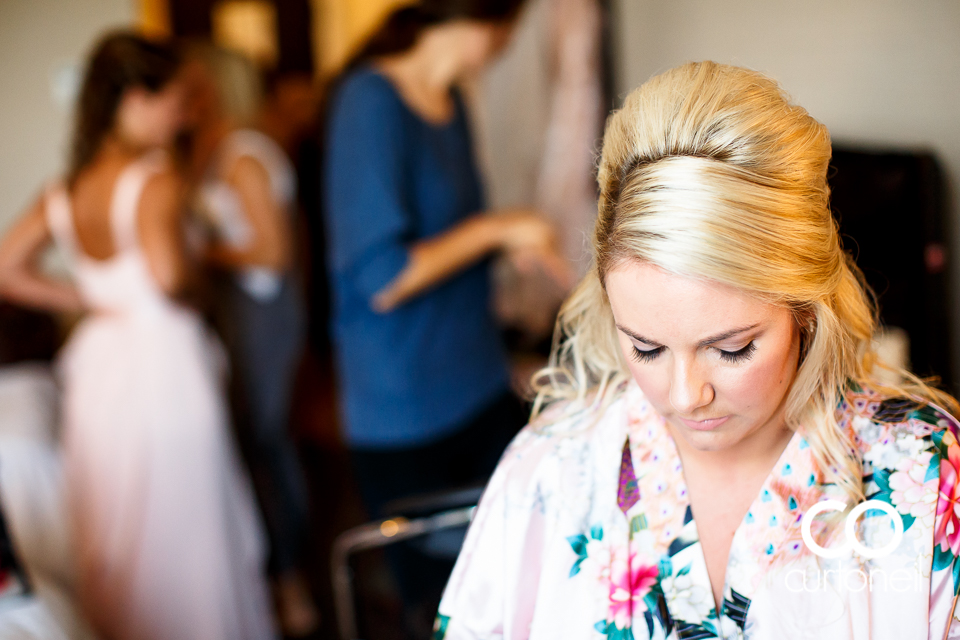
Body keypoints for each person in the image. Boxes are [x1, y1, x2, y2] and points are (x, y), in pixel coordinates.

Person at [435, 61, 960, 639]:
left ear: (806, 309)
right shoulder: (553, 467)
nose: (684, 397)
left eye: (731, 349)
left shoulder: (923, 477)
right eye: (646, 346)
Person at [0, 32, 276, 639]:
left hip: (99, 368)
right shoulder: (156, 180)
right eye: (174, 99)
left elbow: (6, 268)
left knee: (116, 525)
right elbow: (170, 276)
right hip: (164, 366)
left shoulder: (64, 190)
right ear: (134, 98)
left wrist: (90, 297)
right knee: (187, 521)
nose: (182, 114)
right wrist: (194, 277)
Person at [322, 0, 570, 631]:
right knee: (448, 607)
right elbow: (382, 277)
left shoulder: (452, 102)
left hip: (479, 380)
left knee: (523, 575)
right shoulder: (369, 103)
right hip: (406, 408)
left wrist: (511, 248)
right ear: (481, 20)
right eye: (510, 31)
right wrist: (494, 229)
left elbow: (451, 241)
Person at [182, 45, 318, 636]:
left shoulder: (243, 154)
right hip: (250, 312)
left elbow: (272, 250)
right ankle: (277, 576)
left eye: (193, 86)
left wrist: (197, 254)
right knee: (258, 445)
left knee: (265, 445)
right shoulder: (223, 149)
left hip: (261, 314)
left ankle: (292, 580)